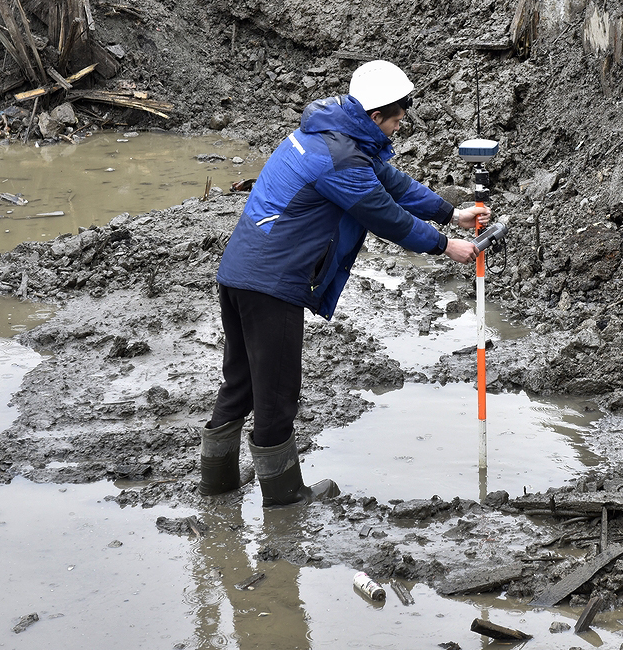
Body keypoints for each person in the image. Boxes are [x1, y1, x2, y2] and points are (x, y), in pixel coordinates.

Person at [198, 60, 491, 507]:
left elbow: (393, 183)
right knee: (276, 392)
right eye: (396, 119)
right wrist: (443, 245)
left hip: (238, 274)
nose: (398, 128)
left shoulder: (334, 135)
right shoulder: (341, 160)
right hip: (271, 284)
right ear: (376, 117)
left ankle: (216, 483)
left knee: (239, 380)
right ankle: (284, 496)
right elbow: (383, 213)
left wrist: (450, 212)